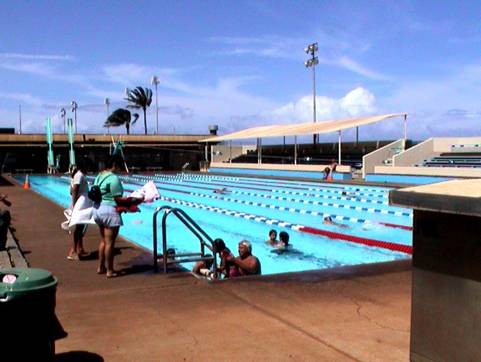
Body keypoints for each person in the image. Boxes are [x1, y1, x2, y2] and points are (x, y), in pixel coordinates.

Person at [92, 155, 126, 278]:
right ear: (114, 165)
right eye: (119, 166)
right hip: (109, 211)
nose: (119, 168)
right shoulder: (113, 178)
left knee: (103, 240)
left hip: (97, 210)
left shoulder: (99, 176)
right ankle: (110, 270)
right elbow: (118, 198)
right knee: (110, 243)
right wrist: (132, 202)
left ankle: (101, 267)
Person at [67, 160, 89, 260]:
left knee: (81, 228)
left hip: (81, 204)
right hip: (79, 206)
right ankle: (72, 251)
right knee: (79, 229)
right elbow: (74, 190)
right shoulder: (79, 175)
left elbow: (71, 190)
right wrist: (75, 204)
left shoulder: (78, 175)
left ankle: (80, 249)